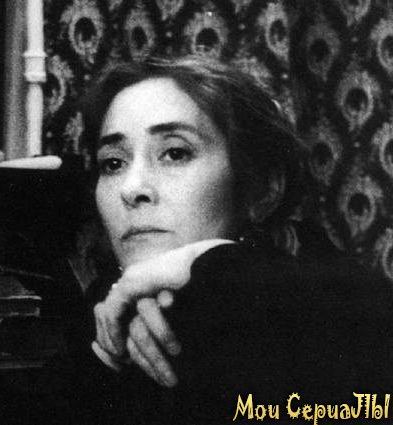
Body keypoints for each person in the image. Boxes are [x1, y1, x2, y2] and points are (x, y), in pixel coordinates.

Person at [56, 55, 393, 425]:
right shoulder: (100, 308)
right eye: (113, 163)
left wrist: (211, 263)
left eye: (175, 153)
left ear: (261, 189)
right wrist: (105, 355)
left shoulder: (327, 297)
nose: (131, 188)